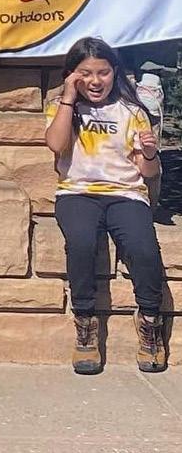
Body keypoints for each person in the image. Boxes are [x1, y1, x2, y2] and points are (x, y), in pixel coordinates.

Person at [45, 37, 165, 374]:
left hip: (126, 193)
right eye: (85, 73)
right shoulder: (62, 107)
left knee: (143, 248)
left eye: (103, 72)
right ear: (72, 75)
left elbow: (147, 170)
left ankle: (150, 322)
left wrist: (150, 152)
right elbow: (56, 144)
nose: (95, 81)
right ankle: (85, 323)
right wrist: (69, 97)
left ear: (115, 73)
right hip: (77, 192)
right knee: (81, 244)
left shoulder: (133, 112)